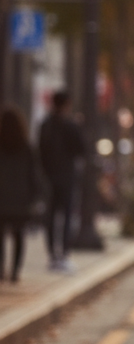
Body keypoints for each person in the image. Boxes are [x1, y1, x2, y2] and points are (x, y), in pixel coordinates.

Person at [38, 89, 85, 272]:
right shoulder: (71, 125)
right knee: (65, 216)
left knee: (50, 217)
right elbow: (81, 149)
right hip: (66, 177)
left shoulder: (45, 125)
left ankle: (52, 255)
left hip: (49, 177)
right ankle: (63, 255)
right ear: (66, 105)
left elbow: (40, 151)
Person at [0, 107, 41, 283]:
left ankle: (1, 270)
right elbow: (33, 174)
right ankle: (15, 272)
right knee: (18, 236)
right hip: (20, 200)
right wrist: (35, 196)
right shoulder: (26, 146)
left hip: (1, 199)